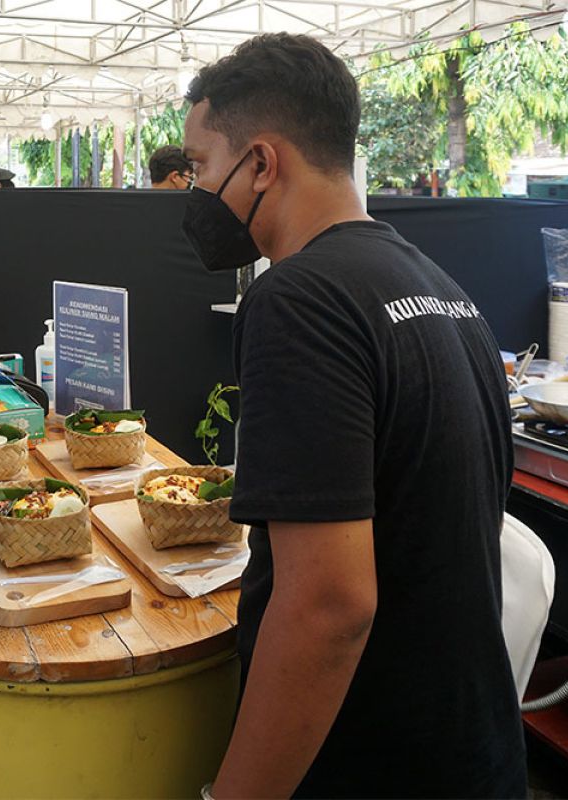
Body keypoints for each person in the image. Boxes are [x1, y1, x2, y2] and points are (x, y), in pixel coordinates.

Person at [180, 34, 524, 799]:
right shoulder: (442, 288)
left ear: (262, 163)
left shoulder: (297, 302)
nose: (194, 192)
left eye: (200, 167)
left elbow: (329, 604)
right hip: (475, 755)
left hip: (375, 765)